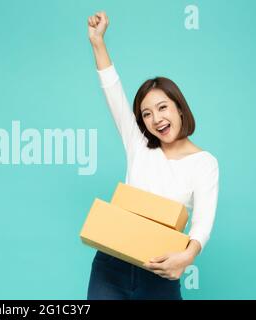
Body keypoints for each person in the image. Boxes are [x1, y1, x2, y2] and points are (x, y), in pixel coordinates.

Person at [86, 11, 220, 300]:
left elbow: (203, 220)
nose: (155, 118)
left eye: (162, 108)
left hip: (161, 269)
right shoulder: (138, 145)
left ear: (179, 108)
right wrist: (98, 42)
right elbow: (112, 91)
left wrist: (188, 256)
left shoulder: (204, 163)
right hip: (111, 265)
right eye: (146, 114)